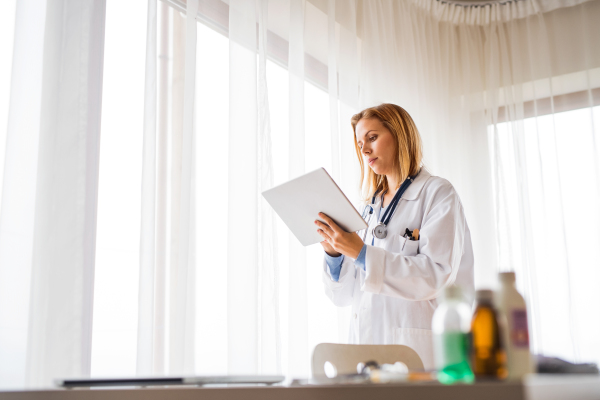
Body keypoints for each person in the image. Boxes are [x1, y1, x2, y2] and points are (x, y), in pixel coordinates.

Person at [314, 103, 474, 369]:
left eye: (372, 138)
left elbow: (437, 275)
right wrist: (334, 253)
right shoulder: (369, 207)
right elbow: (344, 297)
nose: (364, 150)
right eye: (360, 142)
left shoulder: (437, 193)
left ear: (400, 135)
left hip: (416, 353)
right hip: (366, 354)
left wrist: (361, 252)